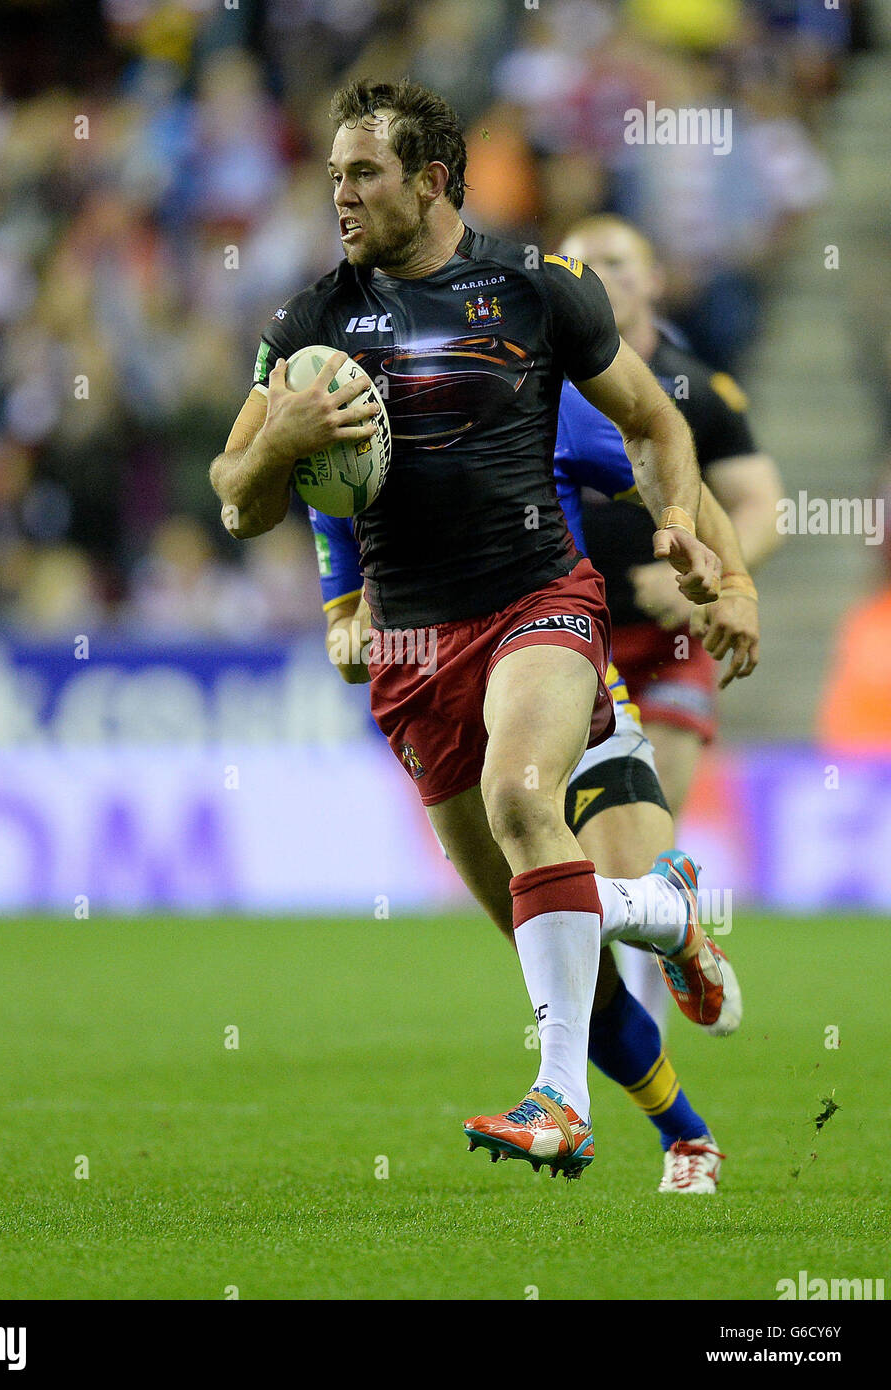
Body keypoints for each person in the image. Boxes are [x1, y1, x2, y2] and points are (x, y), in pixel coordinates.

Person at [210, 78, 727, 1181]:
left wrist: (685, 529)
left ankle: (558, 1106)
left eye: (362, 174)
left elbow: (653, 423)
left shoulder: (537, 289)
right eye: (332, 174)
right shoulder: (307, 328)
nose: (337, 195)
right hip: (410, 653)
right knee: (551, 946)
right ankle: (663, 940)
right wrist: (278, 439)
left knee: (520, 798)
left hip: (538, 601)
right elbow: (235, 496)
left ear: (430, 182)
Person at [310, 497, 753, 1193]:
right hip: (442, 714)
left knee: (560, 923)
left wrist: (730, 579)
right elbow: (342, 647)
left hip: (561, 682)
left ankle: (640, 951)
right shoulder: (342, 474)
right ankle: (684, 1127)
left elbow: (670, 464)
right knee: (568, 961)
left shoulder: (531, 405)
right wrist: (358, 633)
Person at [555, 215, 783, 1026]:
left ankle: (647, 1001)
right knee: (600, 847)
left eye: (616, 262)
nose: (599, 277)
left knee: (654, 829)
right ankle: (666, 952)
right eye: (578, 265)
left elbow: (760, 506)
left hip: (675, 641)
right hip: (578, 645)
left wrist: (713, 575)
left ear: (653, 280)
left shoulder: (695, 388)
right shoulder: (545, 384)